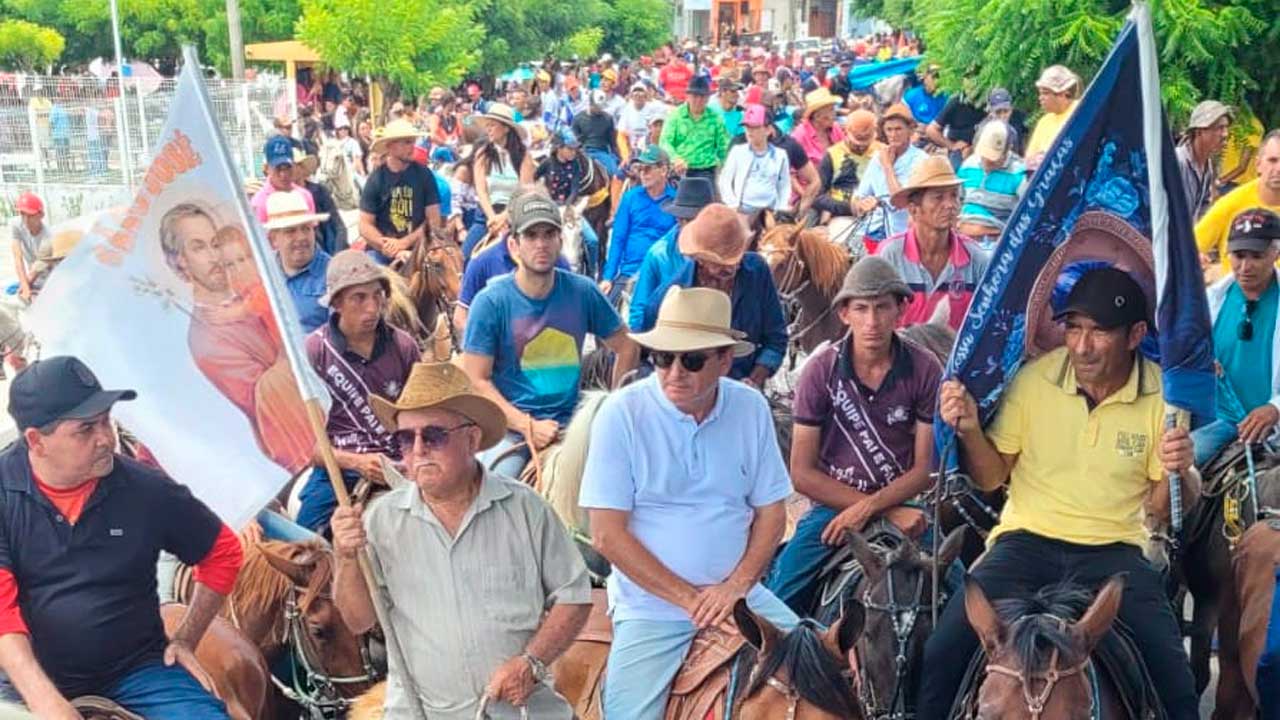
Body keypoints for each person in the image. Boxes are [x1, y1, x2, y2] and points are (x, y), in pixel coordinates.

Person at [921, 266, 1201, 720]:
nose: (1082, 347)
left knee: (1174, 681)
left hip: (1114, 550)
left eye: (1098, 333)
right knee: (942, 651)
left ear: (1134, 335)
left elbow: (1159, 508)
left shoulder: (1163, 399)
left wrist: (1181, 472)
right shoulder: (1036, 379)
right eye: (1073, 329)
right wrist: (971, 428)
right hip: (1024, 542)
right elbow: (993, 478)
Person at [579, 286, 798, 720]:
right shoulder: (621, 413)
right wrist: (690, 600)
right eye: (663, 358)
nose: (674, 371)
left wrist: (735, 588)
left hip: (742, 596)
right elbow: (606, 534)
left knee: (830, 673)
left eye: (691, 359)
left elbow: (773, 514)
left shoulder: (751, 407)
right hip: (652, 609)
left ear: (724, 360)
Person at [331, 362, 590, 720]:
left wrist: (531, 662)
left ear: (471, 439)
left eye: (433, 436)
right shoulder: (380, 519)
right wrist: (344, 557)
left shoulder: (526, 509)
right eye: (406, 439)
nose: (418, 450)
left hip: (522, 713)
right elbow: (357, 621)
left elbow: (574, 597)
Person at [0, 357, 242, 719]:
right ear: (36, 440)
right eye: (85, 429)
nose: (106, 439)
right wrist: (44, 701)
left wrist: (187, 639)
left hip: (136, 670)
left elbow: (223, 551)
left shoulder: (148, 489)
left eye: (106, 421)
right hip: (24, 679)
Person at [767, 258, 941, 612]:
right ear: (845, 313)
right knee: (778, 602)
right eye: (861, 309)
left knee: (956, 596)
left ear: (900, 310)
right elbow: (802, 473)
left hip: (904, 501)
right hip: (832, 507)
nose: (872, 322)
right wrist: (880, 513)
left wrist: (872, 510)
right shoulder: (821, 370)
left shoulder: (924, 368)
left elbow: (924, 469)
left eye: (882, 308)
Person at [461, 190, 638, 479]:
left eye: (549, 234)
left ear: (559, 241)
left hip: (575, 424)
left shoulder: (583, 291)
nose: (541, 244)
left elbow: (627, 346)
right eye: (531, 236)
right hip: (513, 431)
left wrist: (611, 406)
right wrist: (527, 425)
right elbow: (476, 379)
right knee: (495, 485)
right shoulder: (491, 302)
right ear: (514, 245)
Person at [160, 204, 315, 474]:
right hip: (298, 456)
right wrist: (292, 353)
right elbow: (268, 400)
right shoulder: (206, 339)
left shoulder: (252, 293)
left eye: (215, 243)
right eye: (199, 247)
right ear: (180, 261)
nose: (215, 256)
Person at [297, 250, 421, 533]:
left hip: (401, 463)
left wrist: (409, 459)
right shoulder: (314, 352)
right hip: (338, 470)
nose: (372, 308)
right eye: (359, 298)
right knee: (308, 545)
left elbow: (423, 416)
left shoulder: (404, 346)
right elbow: (304, 443)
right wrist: (357, 461)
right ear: (337, 302)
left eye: (377, 296)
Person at [632, 204, 787, 388]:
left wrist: (754, 380)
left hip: (744, 387)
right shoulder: (671, 294)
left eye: (736, 258)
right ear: (699, 258)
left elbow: (776, 339)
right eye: (719, 263)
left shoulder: (757, 272)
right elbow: (642, 355)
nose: (731, 268)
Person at [1193, 209, 1280, 467]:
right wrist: (1199, 363)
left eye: (1257, 256)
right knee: (1176, 470)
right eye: (1239, 256)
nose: (1245, 267)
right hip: (1218, 421)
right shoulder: (1210, 300)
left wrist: (1275, 409)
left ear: (1276, 253)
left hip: (1273, 430)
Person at [875, 156, 991, 330]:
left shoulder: (975, 257)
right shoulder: (889, 255)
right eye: (938, 198)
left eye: (954, 196)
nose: (950, 205)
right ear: (914, 209)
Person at [628, 177, 714, 330]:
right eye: (686, 220)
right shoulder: (659, 254)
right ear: (679, 220)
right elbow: (639, 309)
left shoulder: (724, 253)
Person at [358, 119, 443, 267]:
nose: (412, 147)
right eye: (406, 142)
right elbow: (364, 224)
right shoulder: (376, 179)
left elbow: (434, 220)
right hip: (381, 251)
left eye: (412, 142)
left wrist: (405, 242)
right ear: (390, 146)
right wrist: (387, 247)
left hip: (419, 247)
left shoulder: (424, 175)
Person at [602, 146, 677, 304]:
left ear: (663, 170)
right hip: (630, 271)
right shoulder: (630, 198)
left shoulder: (676, 202)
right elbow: (618, 239)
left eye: (647, 169)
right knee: (604, 316)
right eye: (640, 169)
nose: (643, 174)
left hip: (662, 274)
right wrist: (608, 277)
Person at [1197, 131, 1280, 274]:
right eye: (1272, 160)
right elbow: (1190, 248)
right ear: (1258, 164)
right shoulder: (1232, 203)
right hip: (1235, 290)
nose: (1278, 169)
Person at [463, 105, 536, 262]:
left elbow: (523, 192)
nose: (488, 129)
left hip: (515, 215)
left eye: (492, 125)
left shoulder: (523, 156)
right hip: (486, 216)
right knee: (465, 257)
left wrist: (504, 217)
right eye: (487, 126)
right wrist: (492, 218)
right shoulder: (483, 154)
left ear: (506, 128)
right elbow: (481, 190)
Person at [853, 103, 928, 240]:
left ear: (910, 131)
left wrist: (888, 167)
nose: (893, 135)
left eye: (898, 129)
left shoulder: (921, 160)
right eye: (889, 130)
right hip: (872, 228)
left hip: (901, 233)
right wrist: (862, 205)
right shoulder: (878, 157)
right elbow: (859, 197)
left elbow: (899, 201)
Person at [264, 190, 332, 333]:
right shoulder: (262, 272)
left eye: (306, 229)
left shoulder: (333, 273)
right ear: (273, 239)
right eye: (290, 231)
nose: (301, 237)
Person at [956, 120, 1028, 245]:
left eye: (993, 158)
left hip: (994, 240)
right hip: (961, 235)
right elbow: (956, 200)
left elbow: (1027, 213)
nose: (987, 162)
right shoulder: (969, 164)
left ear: (1007, 151)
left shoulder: (1019, 173)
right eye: (985, 156)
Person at [718, 105, 792, 221]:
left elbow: (784, 184)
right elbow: (725, 180)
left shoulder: (780, 155)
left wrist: (781, 207)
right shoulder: (737, 152)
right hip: (743, 211)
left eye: (755, 128)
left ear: (768, 130)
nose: (749, 132)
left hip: (770, 212)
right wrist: (732, 204)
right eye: (747, 128)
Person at [658, 75, 730, 185]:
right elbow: (665, 142)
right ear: (688, 96)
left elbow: (724, 147)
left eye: (703, 96)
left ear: (708, 98)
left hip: (707, 171)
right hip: (679, 170)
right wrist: (676, 159)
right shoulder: (676, 116)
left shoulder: (715, 118)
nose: (699, 100)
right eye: (695, 96)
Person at [815, 109, 881, 219]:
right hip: (842, 213)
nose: (861, 147)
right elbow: (818, 196)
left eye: (865, 143)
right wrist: (849, 207)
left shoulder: (882, 152)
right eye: (856, 143)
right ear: (846, 133)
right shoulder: (832, 154)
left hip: (876, 212)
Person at [1177, 100, 1234, 221]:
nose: (1225, 134)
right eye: (1219, 128)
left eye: (1226, 128)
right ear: (1199, 132)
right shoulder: (1178, 162)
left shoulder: (1207, 166)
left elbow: (1202, 209)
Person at [1024, 65, 1082, 171]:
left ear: (1064, 94)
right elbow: (1029, 161)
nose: (1040, 98)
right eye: (1040, 93)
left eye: (1045, 93)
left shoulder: (1081, 113)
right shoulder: (1044, 122)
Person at [251, 136, 317, 225]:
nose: (283, 174)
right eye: (278, 169)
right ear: (267, 169)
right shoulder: (260, 203)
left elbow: (311, 230)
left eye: (287, 168)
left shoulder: (305, 196)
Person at [294, 151, 349, 255]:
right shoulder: (283, 198)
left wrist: (338, 253)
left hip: (327, 245)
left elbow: (338, 225)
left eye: (294, 166)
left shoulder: (319, 191)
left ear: (302, 168)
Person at [9, 192, 49, 303]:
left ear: (41, 215)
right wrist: (24, 286)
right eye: (22, 214)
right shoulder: (16, 225)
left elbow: (36, 271)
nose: (25, 219)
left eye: (30, 215)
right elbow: (18, 257)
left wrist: (26, 288)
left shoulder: (47, 239)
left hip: (47, 279)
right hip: (32, 277)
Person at [572, 91, 621, 179]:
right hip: (583, 152)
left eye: (601, 107)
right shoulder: (578, 119)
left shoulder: (608, 119)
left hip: (601, 152)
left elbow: (612, 142)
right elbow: (575, 140)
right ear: (590, 103)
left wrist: (617, 157)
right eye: (597, 107)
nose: (600, 109)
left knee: (616, 174)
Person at [791, 87, 844, 168]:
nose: (834, 114)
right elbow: (792, 171)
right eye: (831, 110)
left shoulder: (835, 128)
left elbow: (846, 152)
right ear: (817, 116)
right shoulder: (799, 136)